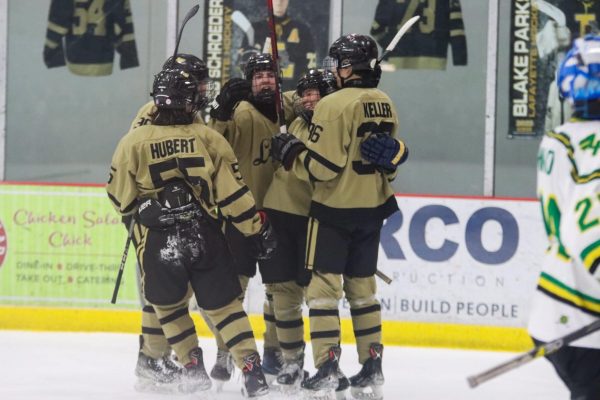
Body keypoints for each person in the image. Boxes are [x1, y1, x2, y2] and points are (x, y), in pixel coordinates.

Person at [107, 65, 275, 397]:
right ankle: (253, 371)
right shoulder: (209, 137)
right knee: (226, 308)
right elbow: (234, 195)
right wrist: (254, 232)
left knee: (168, 307)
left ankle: (192, 366)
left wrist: (141, 209)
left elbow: (118, 197)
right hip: (206, 235)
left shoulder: (133, 142)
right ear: (188, 103)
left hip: (160, 242)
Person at [271, 33, 408, 400]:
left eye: (339, 63)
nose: (335, 70)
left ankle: (328, 366)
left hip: (334, 211)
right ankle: (371, 367)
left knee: (322, 293)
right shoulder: (385, 102)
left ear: (350, 67)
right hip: (372, 209)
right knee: (363, 292)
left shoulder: (333, 105)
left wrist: (291, 153)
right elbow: (390, 167)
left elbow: (322, 169)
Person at [208, 52, 296, 381]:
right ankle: (226, 351)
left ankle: (274, 352)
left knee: (279, 290)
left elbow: (316, 99)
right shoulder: (242, 114)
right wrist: (221, 110)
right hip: (241, 218)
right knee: (233, 293)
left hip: (280, 217)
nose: (264, 80)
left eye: (270, 74)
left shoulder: (287, 109)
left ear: (278, 79)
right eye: (257, 76)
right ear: (249, 81)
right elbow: (213, 141)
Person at [528, 34, 600, 399]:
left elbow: (565, 229)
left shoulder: (559, 139)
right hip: (581, 309)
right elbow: (586, 232)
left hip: (561, 303)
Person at [261, 69, 340, 390]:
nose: (308, 98)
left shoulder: (335, 125)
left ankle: (328, 362)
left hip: (314, 219)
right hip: (279, 215)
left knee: (319, 296)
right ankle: (291, 361)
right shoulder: (293, 119)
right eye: (304, 93)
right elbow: (290, 97)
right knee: (282, 293)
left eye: (315, 93)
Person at [240, 0, 316, 90]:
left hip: (293, 91)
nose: (279, 2)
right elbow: (244, 65)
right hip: (261, 90)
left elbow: (310, 65)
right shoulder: (254, 30)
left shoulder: (303, 30)